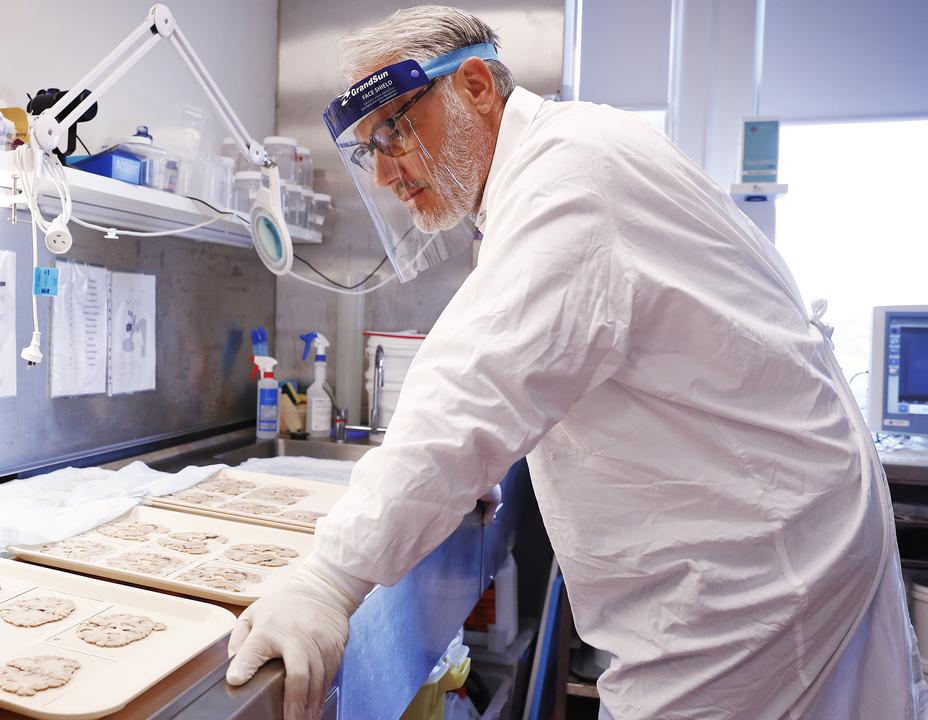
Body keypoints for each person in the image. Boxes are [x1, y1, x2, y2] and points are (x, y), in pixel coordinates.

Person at [224, 6, 928, 720]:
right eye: (368, 148)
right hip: (772, 552)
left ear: (473, 86)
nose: (382, 173)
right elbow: (552, 363)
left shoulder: (572, 175)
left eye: (396, 130)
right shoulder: (554, 171)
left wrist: (326, 581)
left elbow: (472, 387)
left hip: (759, 591)